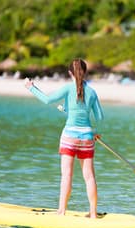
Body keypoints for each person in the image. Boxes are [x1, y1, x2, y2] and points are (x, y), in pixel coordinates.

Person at [24, 59, 104, 218]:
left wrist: (31, 87)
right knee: (89, 177)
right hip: (87, 137)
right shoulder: (92, 92)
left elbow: (47, 100)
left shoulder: (68, 88)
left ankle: (62, 211)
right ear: (85, 72)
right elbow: (100, 117)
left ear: (70, 73)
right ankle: (93, 214)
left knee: (67, 175)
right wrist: (95, 132)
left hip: (69, 137)